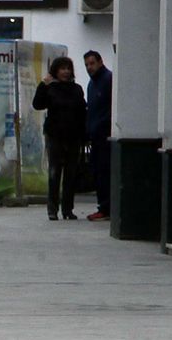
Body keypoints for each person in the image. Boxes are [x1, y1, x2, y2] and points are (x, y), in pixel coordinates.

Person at [31, 56, 87, 221]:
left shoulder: (77, 89)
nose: (66, 72)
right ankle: (52, 209)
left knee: (71, 174)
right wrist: (43, 85)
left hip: (74, 136)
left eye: (68, 68)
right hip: (55, 135)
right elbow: (37, 104)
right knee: (54, 173)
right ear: (55, 70)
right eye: (62, 68)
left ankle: (68, 209)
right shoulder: (50, 88)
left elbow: (82, 112)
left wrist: (84, 135)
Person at [83, 50, 113, 221]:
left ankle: (106, 206)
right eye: (87, 64)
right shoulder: (91, 84)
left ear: (100, 62)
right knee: (98, 172)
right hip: (95, 135)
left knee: (104, 172)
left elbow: (108, 109)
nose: (89, 67)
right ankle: (103, 205)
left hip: (104, 135)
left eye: (92, 63)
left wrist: (101, 126)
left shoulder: (108, 80)